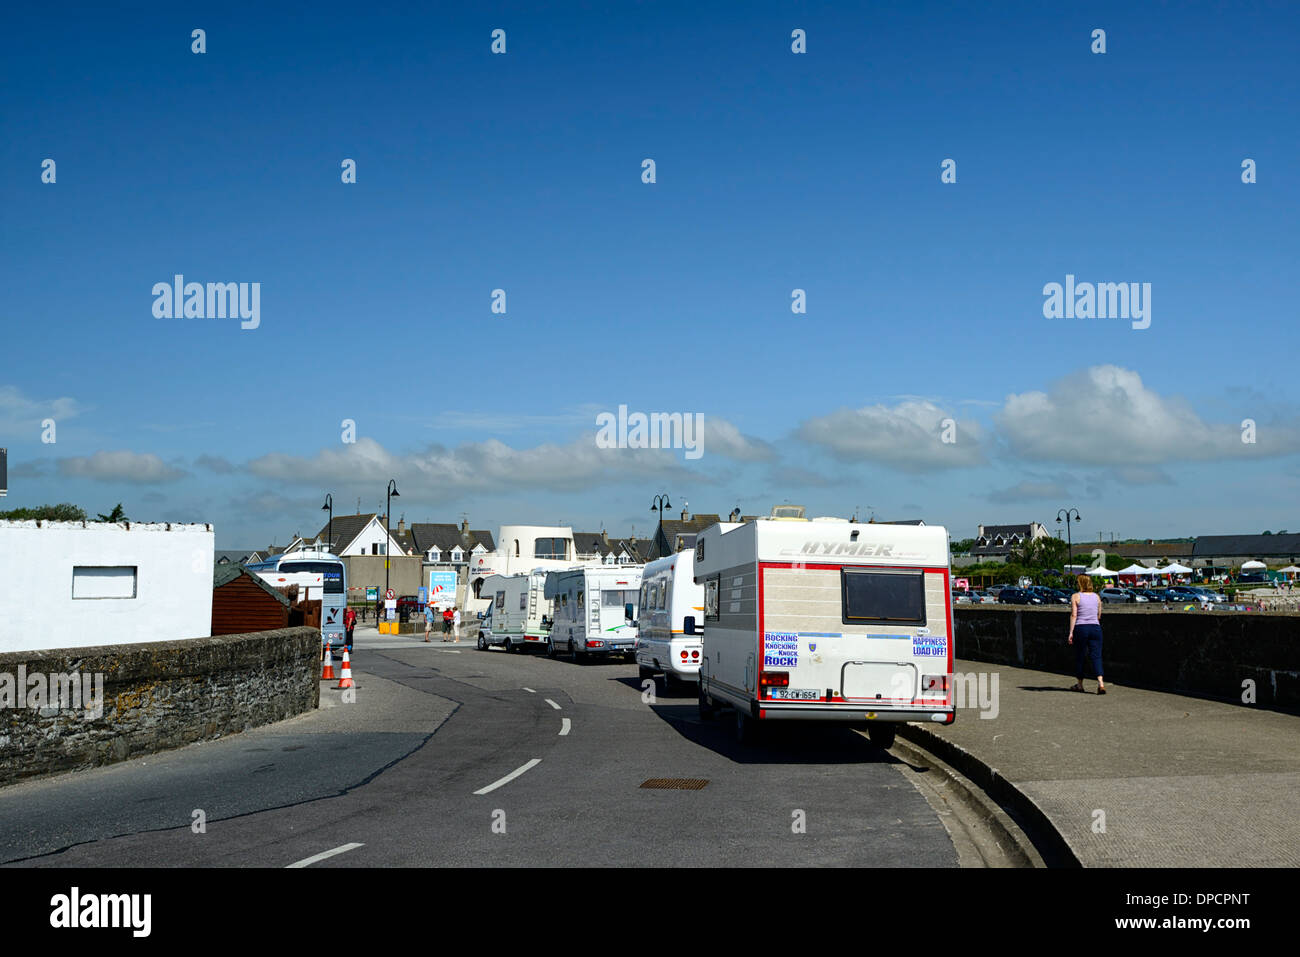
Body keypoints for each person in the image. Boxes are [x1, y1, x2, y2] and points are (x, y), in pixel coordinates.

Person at [1068, 574, 1106, 694]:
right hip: (1095, 628)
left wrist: (1071, 632)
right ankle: (1101, 683)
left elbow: (1074, 615)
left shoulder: (1076, 596)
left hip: (1081, 628)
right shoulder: (1097, 597)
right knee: (1096, 656)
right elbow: (1099, 615)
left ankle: (1080, 684)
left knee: (1080, 656)